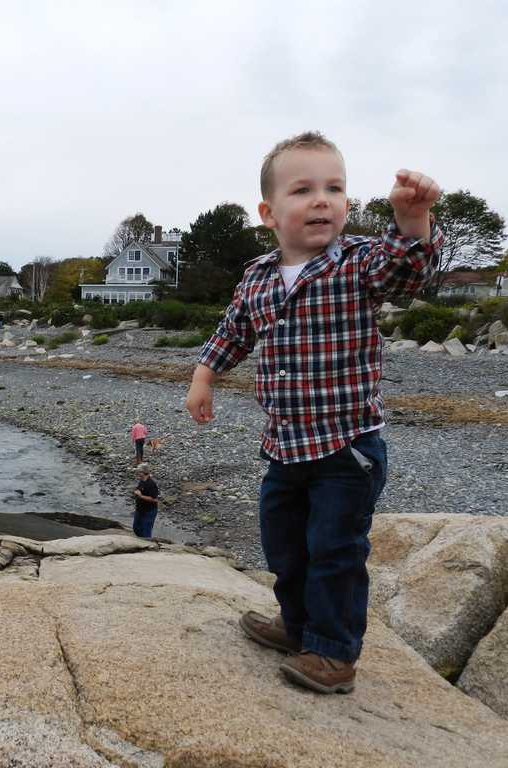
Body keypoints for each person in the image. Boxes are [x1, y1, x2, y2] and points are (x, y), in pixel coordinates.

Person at [184, 131, 442, 694]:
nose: (322, 199)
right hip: (283, 446)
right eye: (303, 189)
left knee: (336, 550)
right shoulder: (256, 277)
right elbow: (234, 332)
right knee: (285, 543)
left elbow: (406, 270)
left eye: (335, 188)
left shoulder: (357, 265)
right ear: (269, 213)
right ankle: (296, 624)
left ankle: (333, 652)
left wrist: (413, 220)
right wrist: (204, 376)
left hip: (347, 447)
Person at [132, 463, 158, 538]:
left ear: (143, 472)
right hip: (140, 510)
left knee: (146, 532)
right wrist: (136, 492)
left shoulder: (151, 484)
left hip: (149, 512)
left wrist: (141, 496)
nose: (137, 473)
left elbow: (155, 499)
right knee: (136, 528)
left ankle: (148, 545)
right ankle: (140, 541)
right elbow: (138, 489)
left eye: (138, 472)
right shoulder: (141, 481)